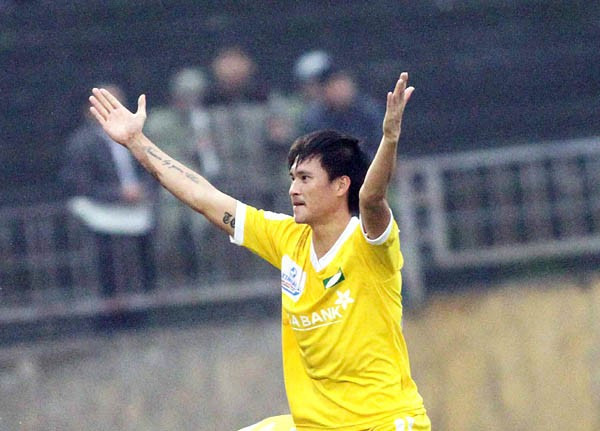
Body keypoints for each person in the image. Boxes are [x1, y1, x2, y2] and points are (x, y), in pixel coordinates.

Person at [88, 72, 430, 430]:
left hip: (385, 422)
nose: (293, 189)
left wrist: (389, 139)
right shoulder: (286, 238)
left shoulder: (369, 244)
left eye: (305, 179)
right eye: (293, 178)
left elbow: (371, 198)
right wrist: (136, 142)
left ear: (340, 185)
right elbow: (204, 198)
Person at [61, 84, 158, 299]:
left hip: (139, 210)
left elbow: (154, 167)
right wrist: (118, 194)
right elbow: (80, 183)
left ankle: (147, 300)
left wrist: (143, 190)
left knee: (143, 260)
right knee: (109, 264)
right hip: (103, 214)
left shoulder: (139, 137)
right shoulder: (82, 143)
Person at [145, 67, 221, 281]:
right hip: (168, 184)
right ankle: (170, 276)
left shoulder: (203, 120)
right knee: (170, 230)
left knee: (203, 227)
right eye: (186, 95)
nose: (191, 100)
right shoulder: (159, 121)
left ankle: (206, 273)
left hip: (198, 183)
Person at [301, 68, 383, 160]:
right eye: (335, 86)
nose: (341, 90)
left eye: (343, 85)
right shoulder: (315, 117)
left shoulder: (369, 111)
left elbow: (379, 144)